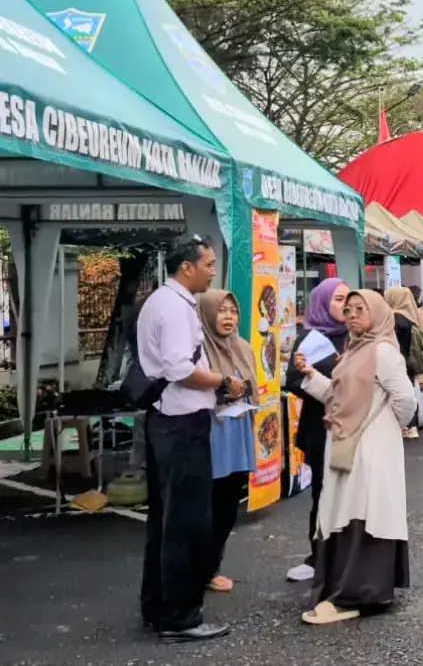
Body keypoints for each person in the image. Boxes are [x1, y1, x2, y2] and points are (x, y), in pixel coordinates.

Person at [138, 234, 240, 643]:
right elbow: (181, 369)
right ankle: (180, 617)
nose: (214, 271)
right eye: (209, 264)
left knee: (165, 522)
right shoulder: (175, 308)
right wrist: (225, 382)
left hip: (167, 422)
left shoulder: (164, 302)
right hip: (182, 425)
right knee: (186, 524)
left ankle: (158, 606)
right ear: (187, 267)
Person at [294, 290, 416, 624]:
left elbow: (406, 401)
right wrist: (312, 378)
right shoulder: (352, 350)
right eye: (348, 310)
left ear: (377, 312)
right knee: (344, 510)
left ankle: (360, 592)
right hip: (347, 442)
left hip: (371, 446)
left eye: (360, 309)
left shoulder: (383, 352)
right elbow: (337, 396)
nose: (352, 315)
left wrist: (384, 428)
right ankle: (342, 587)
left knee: (364, 510)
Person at [284, 278, 350, 583]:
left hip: (352, 425)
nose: (345, 306)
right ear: (322, 303)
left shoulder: (357, 335)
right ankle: (318, 555)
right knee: (323, 492)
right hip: (320, 425)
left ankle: (349, 555)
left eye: (348, 299)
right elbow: (294, 381)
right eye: (338, 300)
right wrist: (323, 388)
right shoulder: (310, 339)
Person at [197, 289, 256, 596]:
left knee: (228, 504)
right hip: (210, 431)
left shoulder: (243, 347)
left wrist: (243, 393)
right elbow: (191, 388)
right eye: (221, 311)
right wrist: (222, 391)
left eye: (233, 311)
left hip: (238, 429)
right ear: (207, 314)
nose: (229, 317)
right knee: (206, 503)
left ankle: (211, 565)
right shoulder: (198, 349)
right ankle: (200, 569)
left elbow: (251, 386)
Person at [385, 287, 423, 439]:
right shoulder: (413, 318)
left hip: (398, 360)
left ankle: (404, 425)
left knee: (398, 394)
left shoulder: (394, 319)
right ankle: (413, 425)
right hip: (411, 361)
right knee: (410, 393)